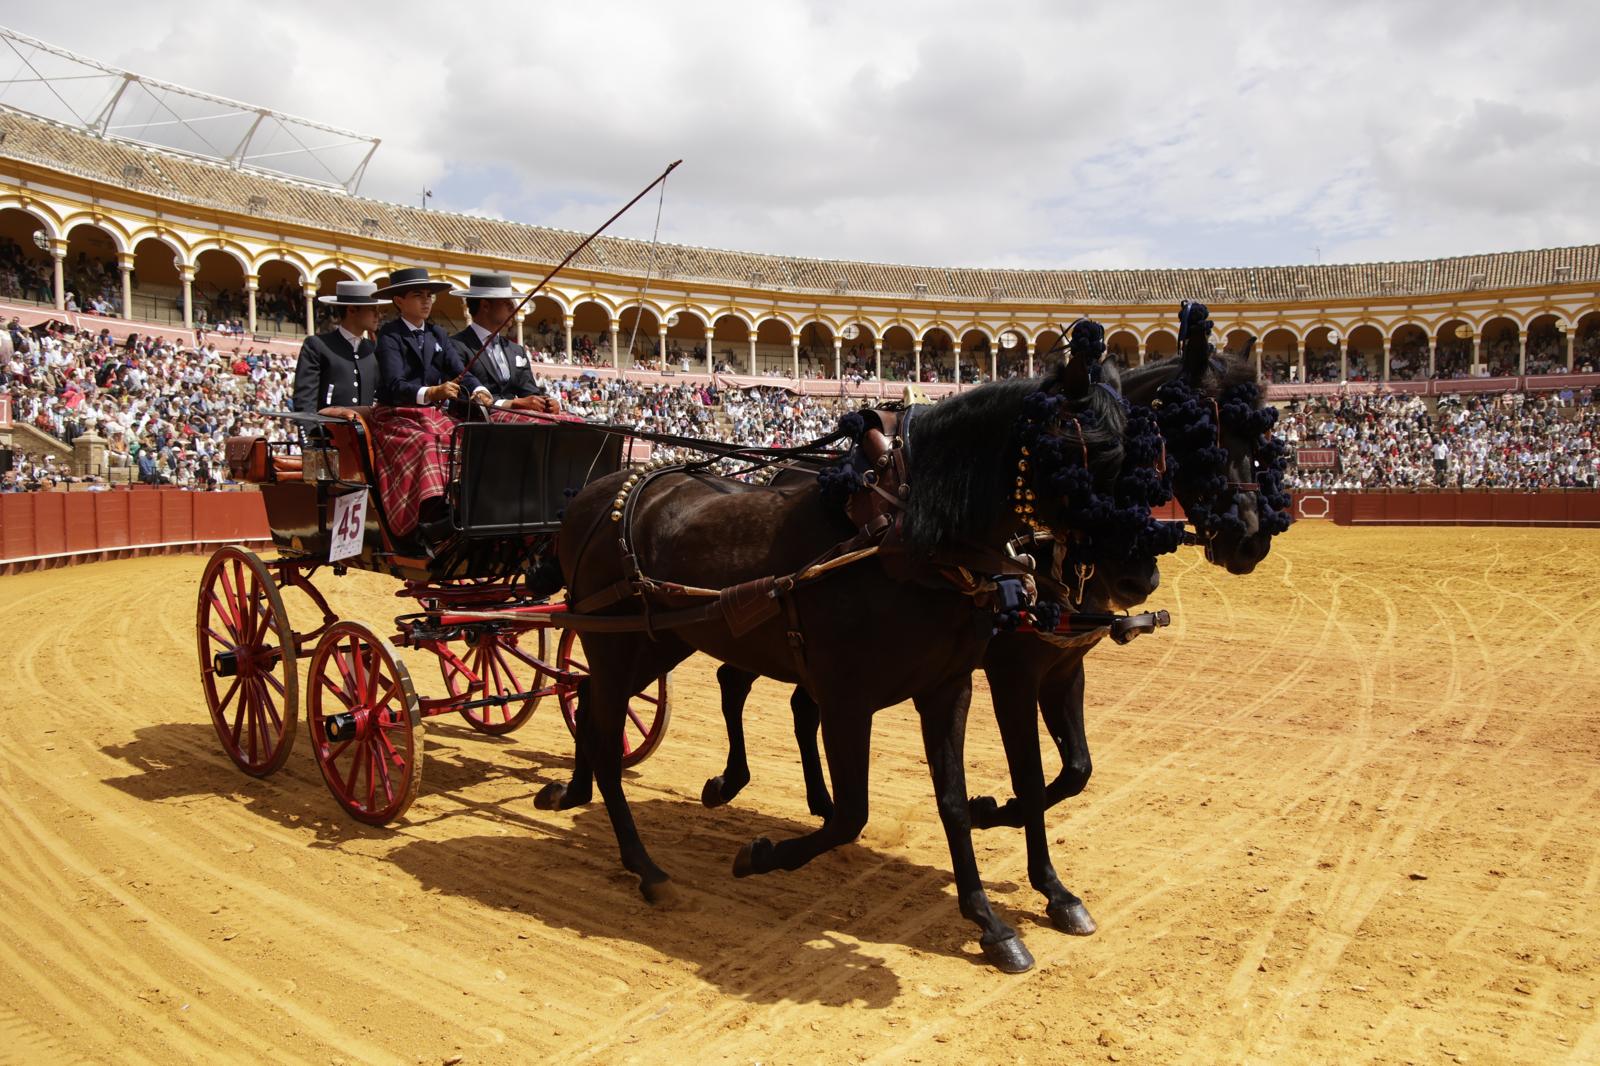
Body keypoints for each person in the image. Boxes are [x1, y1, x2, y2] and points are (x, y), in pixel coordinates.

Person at [368, 267, 493, 544]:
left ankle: (465, 505)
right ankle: (430, 513)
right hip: (396, 414)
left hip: (432, 413)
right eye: (418, 295)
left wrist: (480, 390)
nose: (426, 301)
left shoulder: (438, 333)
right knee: (426, 443)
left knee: (468, 437)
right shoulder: (389, 336)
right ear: (399, 301)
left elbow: (460, 371)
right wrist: (432, 391)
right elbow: (394, 385)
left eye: (429, 296)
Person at [448, 272, 558, 412]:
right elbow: (462, 396)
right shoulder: (455, 346)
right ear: (485, 306)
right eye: (506, 302)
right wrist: (512, 404)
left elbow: (530, 394)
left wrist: (547, 403)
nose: (513, 307)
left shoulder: (516, 350)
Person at [292, 280, 382, 413]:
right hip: (327, 430)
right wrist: (313, 433)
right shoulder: (318, 346)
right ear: (351, 310)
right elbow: (305, 399)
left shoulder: (373, 349)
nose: (378, 315)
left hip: (366, 431)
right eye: (372, 309)